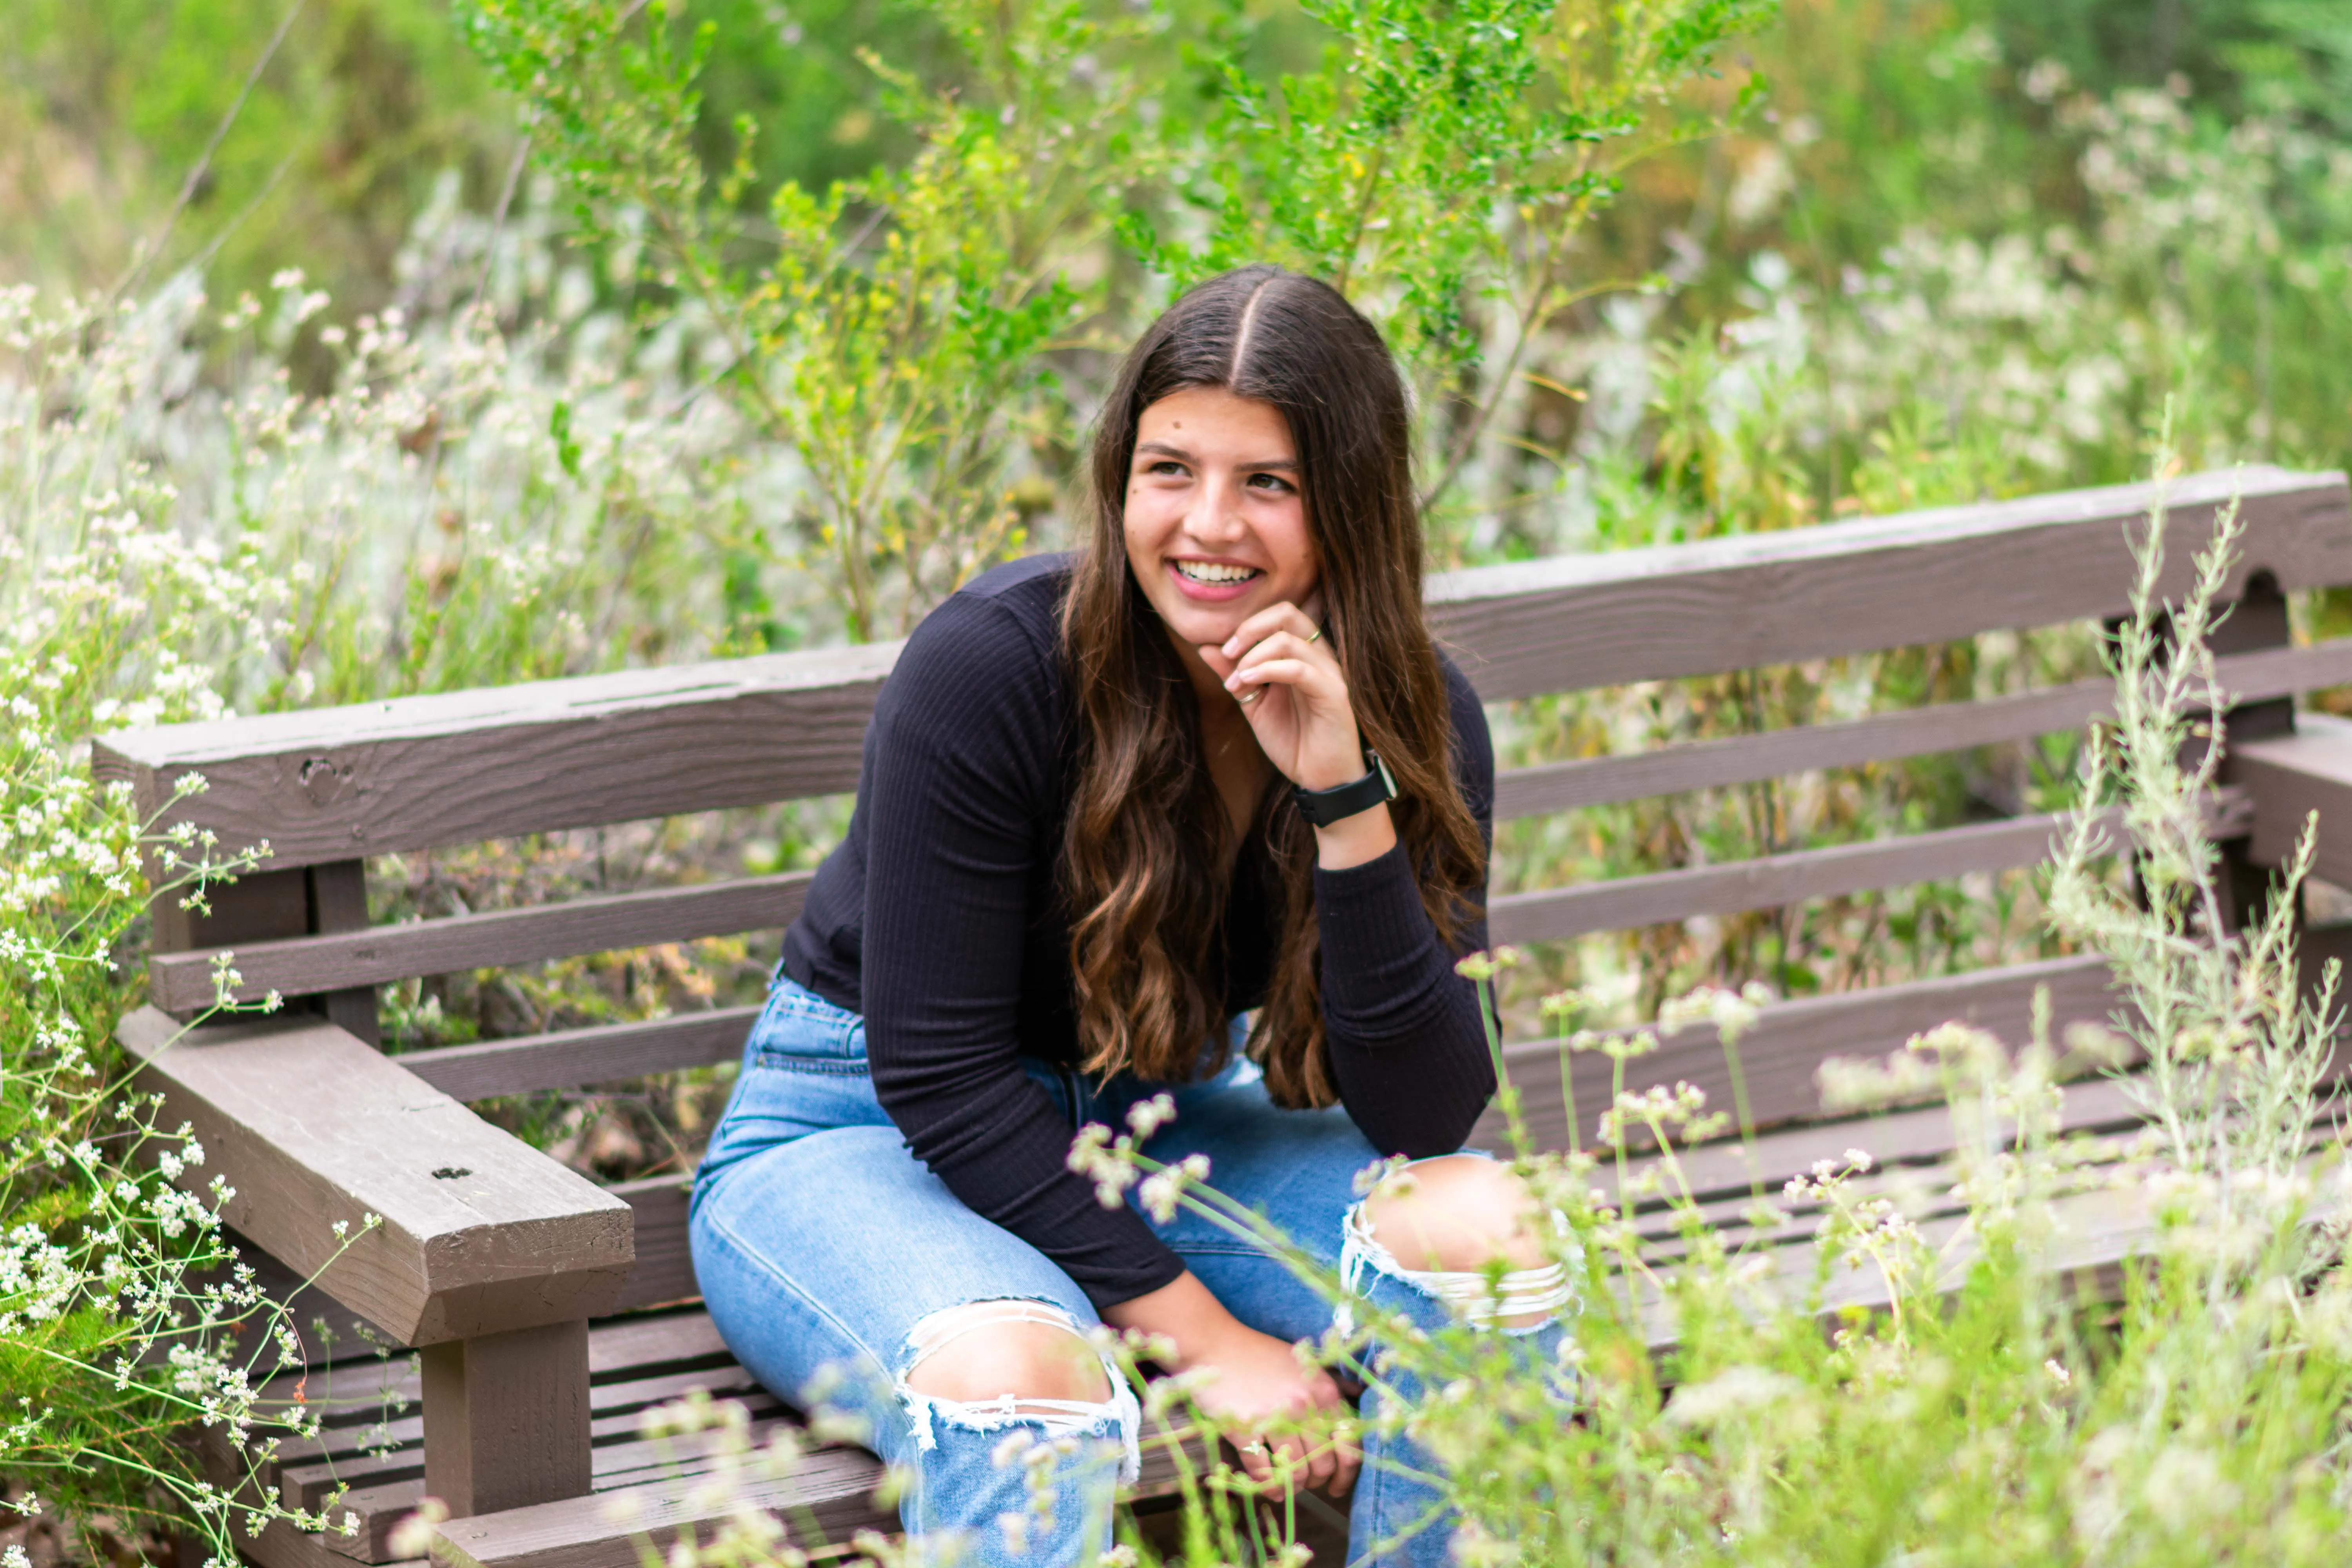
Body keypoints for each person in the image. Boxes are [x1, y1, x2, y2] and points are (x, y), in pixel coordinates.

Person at [690, 265, 1573, 1568]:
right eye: (1171, 469)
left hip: (1162, 1121)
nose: (1208, 525)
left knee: (1494, 1250)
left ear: (1351, 506)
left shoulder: (1411, 713)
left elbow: (1432, 1111)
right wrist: (1210, 1347)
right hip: (865, 1133)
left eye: (1266, 481)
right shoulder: (996, 667)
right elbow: (938, 1077)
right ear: (1119, 478)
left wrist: (1347, 800)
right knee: (1022, 1393)